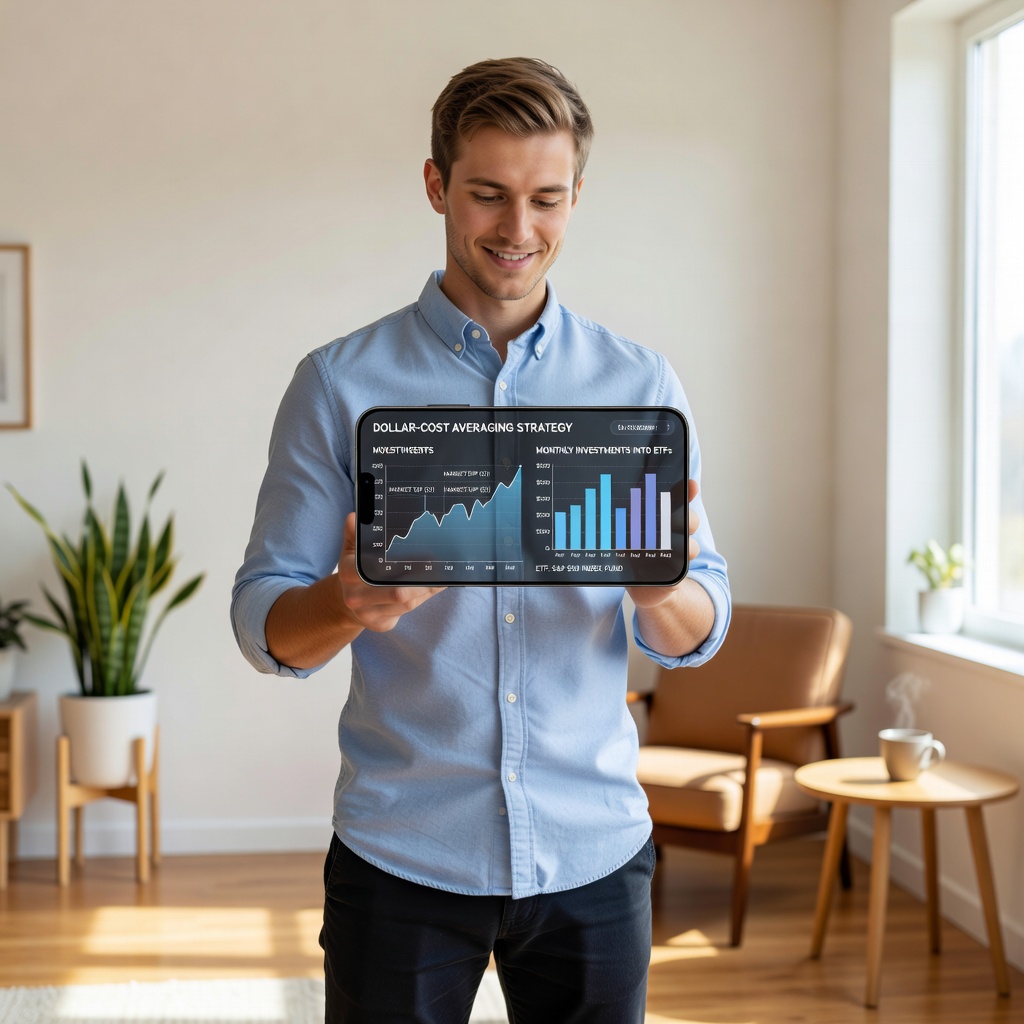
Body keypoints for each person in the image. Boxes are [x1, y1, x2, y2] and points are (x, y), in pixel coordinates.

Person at [232, 56, 730, 1024]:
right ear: (436, 185)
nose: (517, 229)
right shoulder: (338, 382)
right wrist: (344, 601)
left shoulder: (639, 384)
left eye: (546, 198)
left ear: (577, 196)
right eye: (488, 194)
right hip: (402, 855)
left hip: (594, 852)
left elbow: (700, 624)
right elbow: (264, 625)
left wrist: (657, 586)